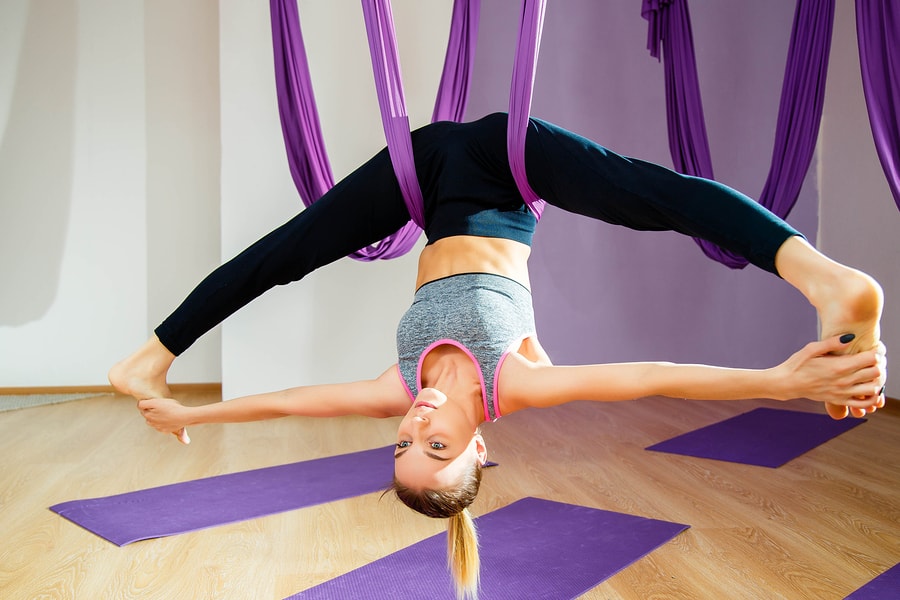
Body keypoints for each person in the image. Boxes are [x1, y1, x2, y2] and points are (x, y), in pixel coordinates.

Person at [109, 113, 886, 600]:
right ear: (478, 443)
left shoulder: (399, 385)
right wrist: (779, 381)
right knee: (653, 196)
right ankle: (824, 278)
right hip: (510, 168)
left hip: (423, 176)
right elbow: (646, 377)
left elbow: (282, 402)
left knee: (291, 249)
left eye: (404, 445)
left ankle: (151, 355)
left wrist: (194, 411)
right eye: (437, 446)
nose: (414, 426)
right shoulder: (516, 384)